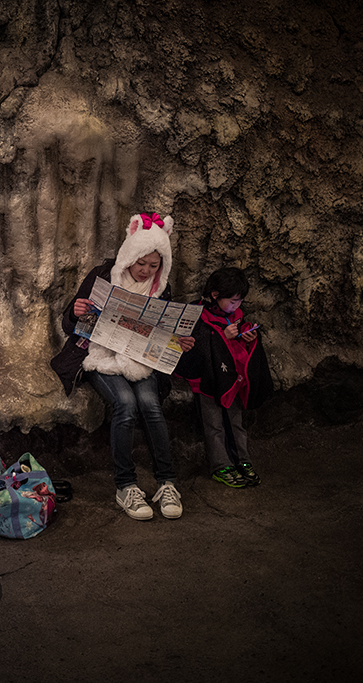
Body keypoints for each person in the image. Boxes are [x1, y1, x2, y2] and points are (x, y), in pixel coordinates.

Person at [50, 213, 195, 521]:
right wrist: (76, 312)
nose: (146, 270)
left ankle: (167, 483)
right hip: (100, 353)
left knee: (150, 404)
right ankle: (126, 486)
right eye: (141, 263)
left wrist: (177, 343)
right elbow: (72, 325)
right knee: (126, 403)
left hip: (139, 358)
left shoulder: (161, 288)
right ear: (129, 255)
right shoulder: (103, 275)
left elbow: (163, 335)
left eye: (154, 265)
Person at [176, 267, 273, 487]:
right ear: (215, 295)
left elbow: (234, 346)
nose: (237, 306)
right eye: (233, 301)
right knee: (214, 424)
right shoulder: (197, 313)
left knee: (236, 422)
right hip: (207, 381)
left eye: (240, 301)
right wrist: (221, 335)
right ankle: (221, 465)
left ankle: (243, 461)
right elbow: (196, 345)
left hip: (231, 379)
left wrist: (246, 336)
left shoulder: (235, 315)